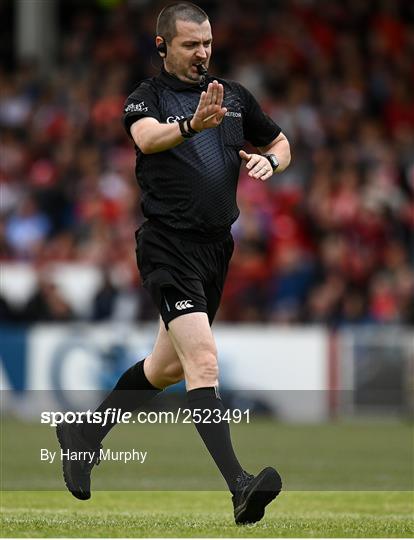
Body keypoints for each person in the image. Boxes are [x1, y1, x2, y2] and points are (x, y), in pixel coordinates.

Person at [56, 2, 291, 525]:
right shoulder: (147, 98)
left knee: (162, 369)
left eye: (207, 42)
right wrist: (190, 124)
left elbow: (281, 140)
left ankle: (82, 434)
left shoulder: (233, 97)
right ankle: (239, 486)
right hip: (168, 246)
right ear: (163, 45)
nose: (202, 52)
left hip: (215, 251)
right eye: (191, 44)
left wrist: (269, 160)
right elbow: (146, 138)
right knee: (203, 363)